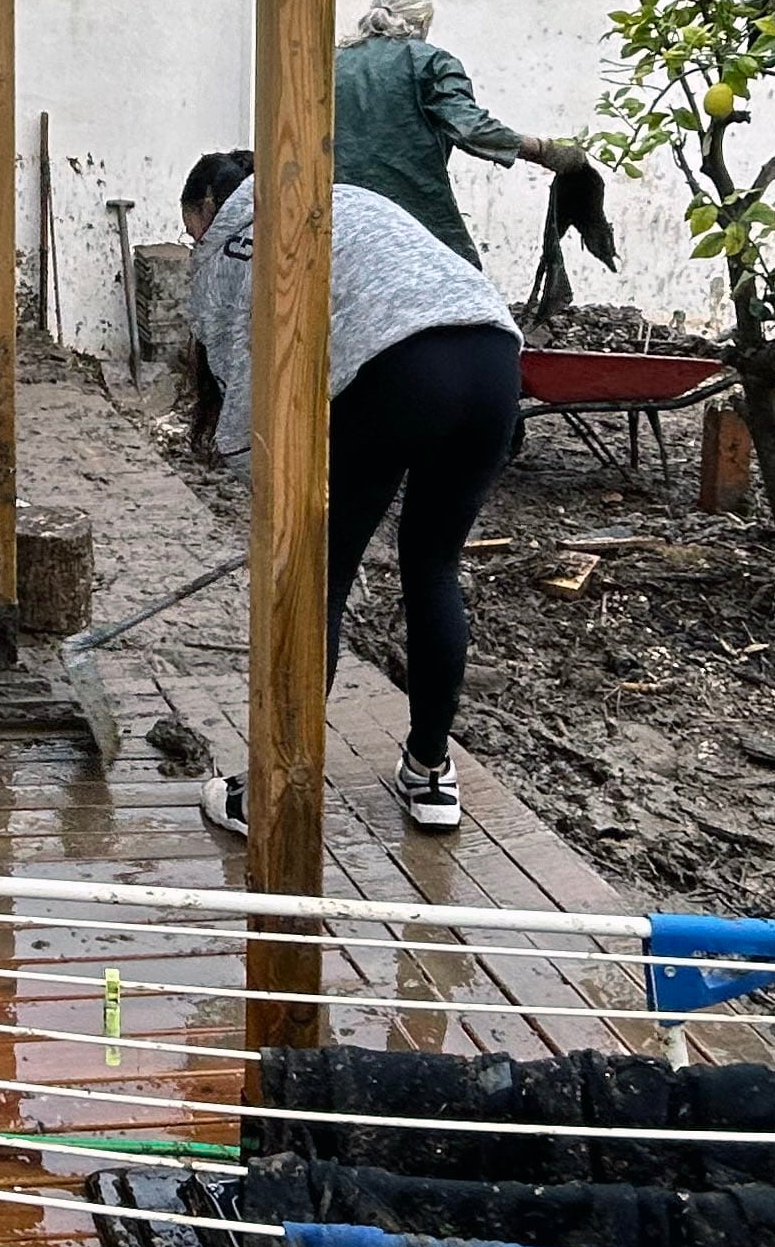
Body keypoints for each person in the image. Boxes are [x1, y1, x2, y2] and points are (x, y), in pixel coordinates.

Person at [176, 151, 523, 837]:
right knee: (431, 565)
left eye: (191, 231)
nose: (196, 245)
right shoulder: (344, 195)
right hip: (493, 360)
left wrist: (267, 490)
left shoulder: (234, 236)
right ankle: (429, 774)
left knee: (322, 578)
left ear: (209, 208)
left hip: (394, 371)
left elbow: (242, 366)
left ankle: (271, 792)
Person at [333, 0, 593, 269]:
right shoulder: (430, 62)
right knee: (461, 285)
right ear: (422, 22)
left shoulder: (331, 61)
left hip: (337, 207)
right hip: (412, 205)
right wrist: (545, 150)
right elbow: (470, 128)